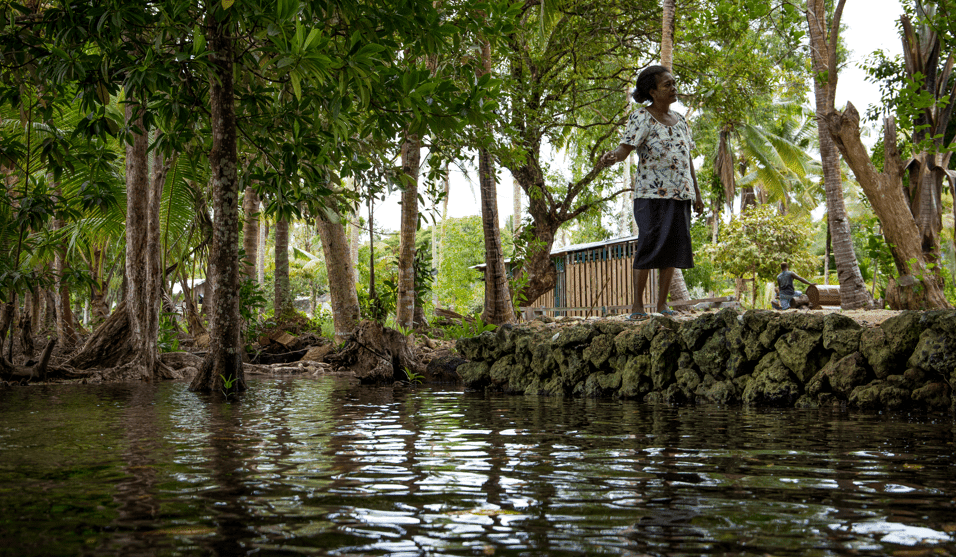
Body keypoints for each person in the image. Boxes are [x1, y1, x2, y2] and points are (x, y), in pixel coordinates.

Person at [598, 65, 704, 319]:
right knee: (648, 245)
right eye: (667, 84)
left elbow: (687, 158)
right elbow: (625, 149)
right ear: (652, 91)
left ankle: (661, 305)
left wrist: (697, 194)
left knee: (673, 249)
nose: (673, 88)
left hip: (681, 194)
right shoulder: (641, 117)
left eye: (674, 83)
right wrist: (612, 157)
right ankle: (637, 306)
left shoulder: (681, 121)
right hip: (651, 195)